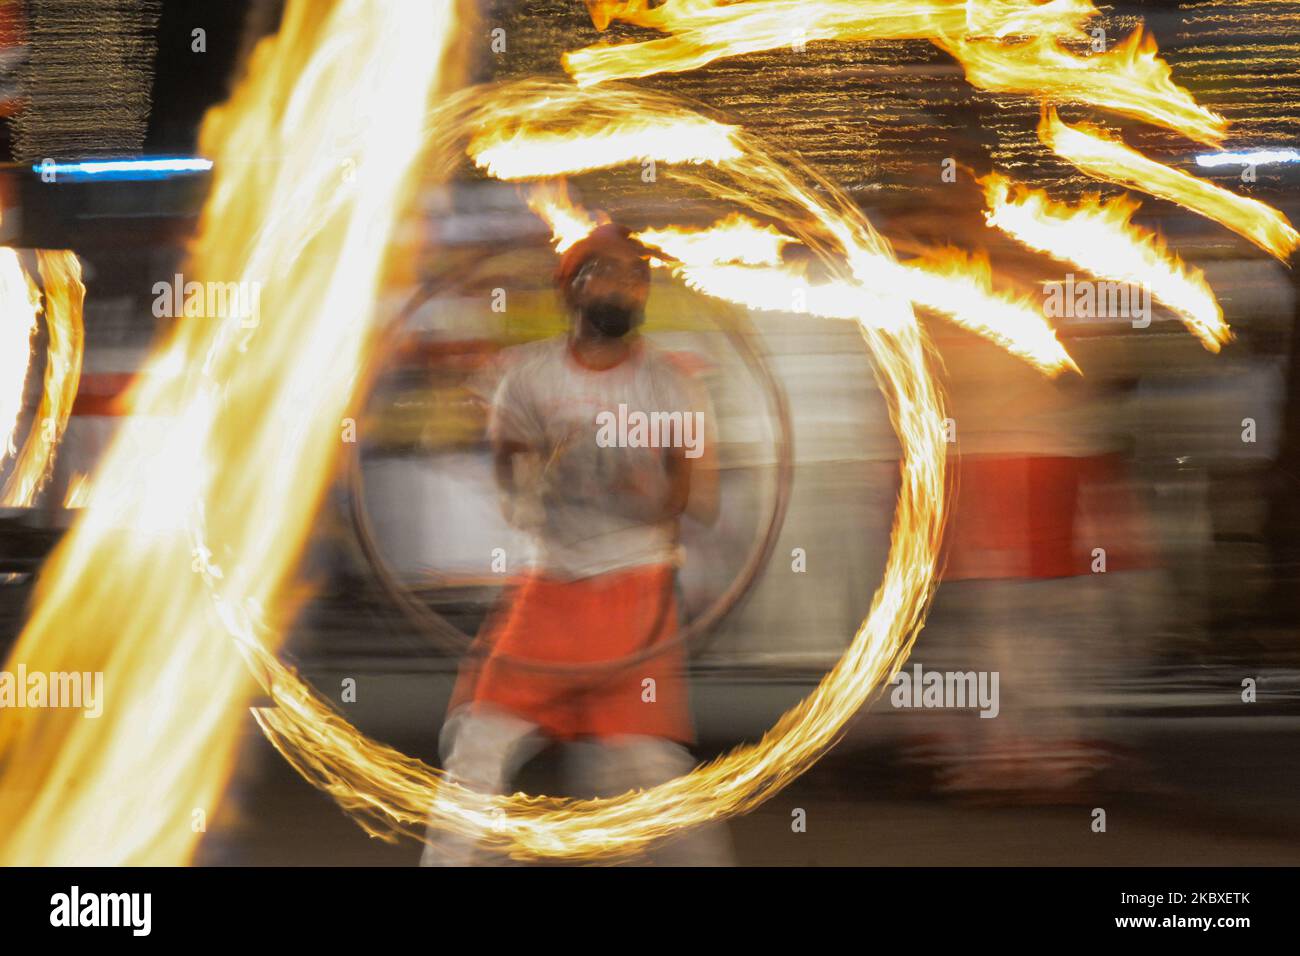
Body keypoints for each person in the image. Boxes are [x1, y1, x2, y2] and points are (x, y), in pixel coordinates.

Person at [421, 224, 730, 865]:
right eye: (609, 273)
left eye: (637, 276)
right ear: (572, 285)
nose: (627, 287)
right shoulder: (527, 377)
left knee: (641, 769)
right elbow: (507, 471)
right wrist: (540, 478)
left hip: (634, 590)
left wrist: (628, 483)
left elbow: (696, 497)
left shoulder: (672, 384)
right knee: (477, 743)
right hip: (549, 589)